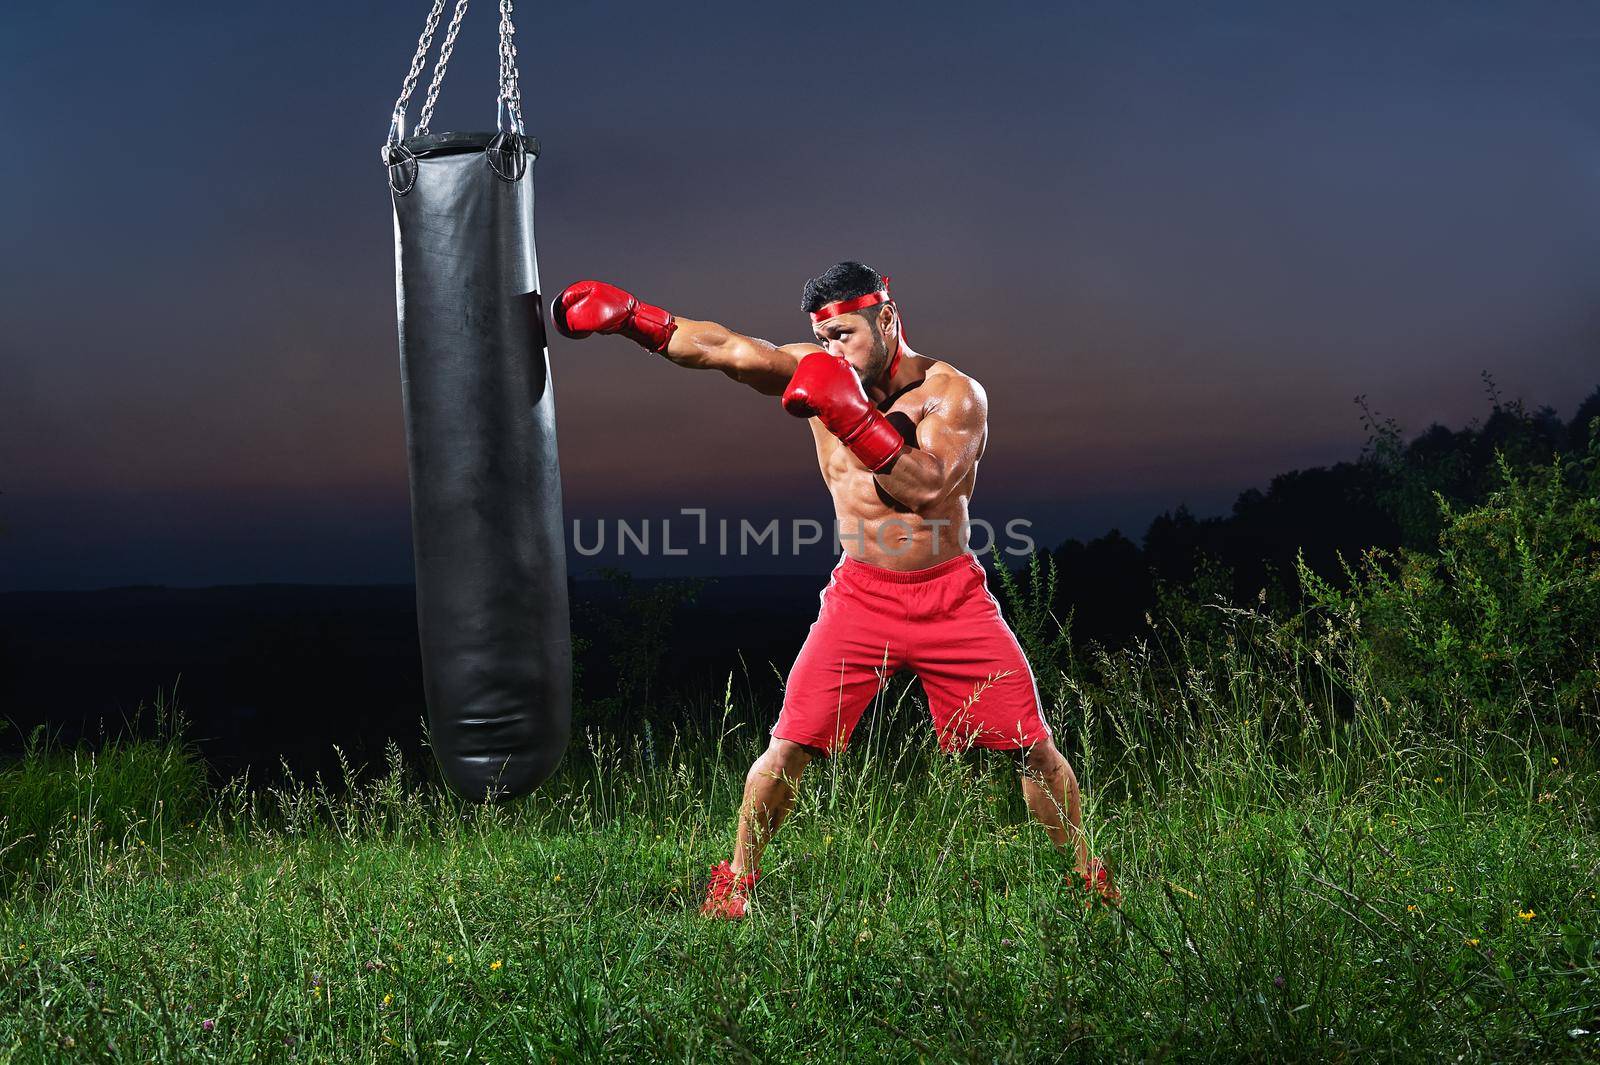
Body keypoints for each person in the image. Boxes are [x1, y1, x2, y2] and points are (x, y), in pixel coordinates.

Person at [551, 261, 1119, 919]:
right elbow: (723, 348)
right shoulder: (819, 369)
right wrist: (634, 319)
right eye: (824, 341)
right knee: (789, 742)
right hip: (861, 596)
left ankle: (1088, 877)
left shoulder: (953, 394)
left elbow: (925, 486)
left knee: (1031, 745)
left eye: (846, 334)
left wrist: (847, 413)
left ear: (886, 317)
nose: (833, 354)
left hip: (950, 597)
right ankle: (736, 881)